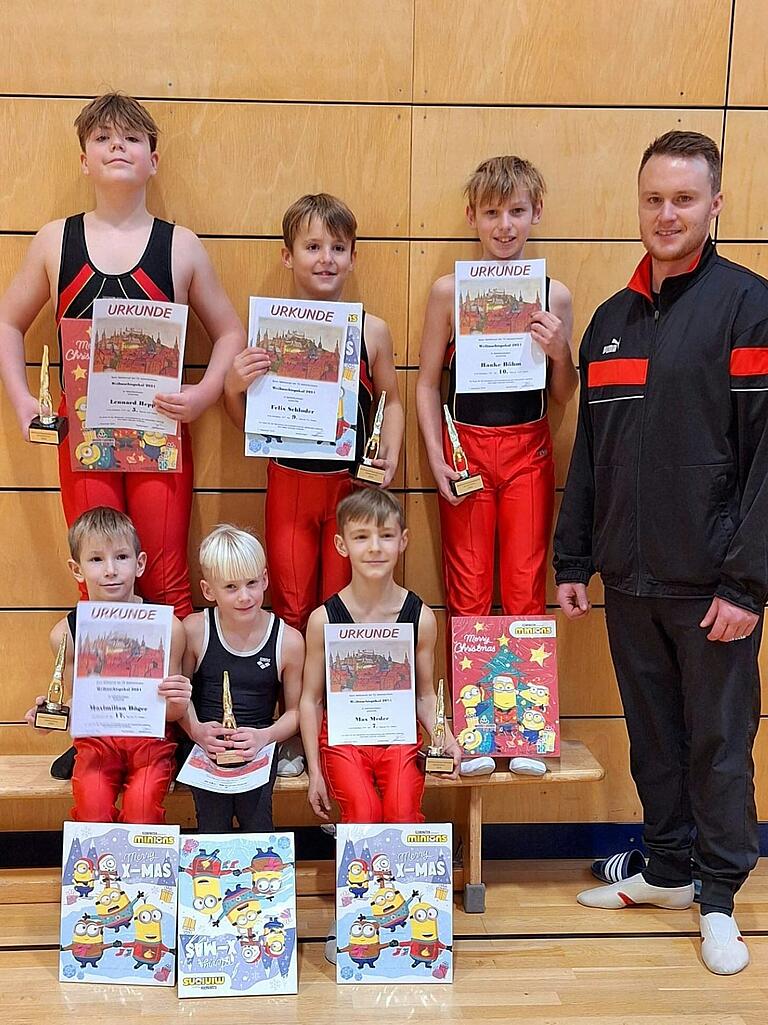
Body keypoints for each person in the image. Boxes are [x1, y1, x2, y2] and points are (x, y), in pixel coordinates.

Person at [554, 130, 768, 976]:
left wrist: (749, 582)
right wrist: (574, 559)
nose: (667, 214)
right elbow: (590, 455)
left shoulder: (750, 307)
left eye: (684, 199)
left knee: (717, 744)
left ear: (716, 205)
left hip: (716, 585)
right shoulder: (609, 322)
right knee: (653, 738)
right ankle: (669, 869)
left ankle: (720, 896)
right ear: (637, 203)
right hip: (630, 581)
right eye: (654, 199)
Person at [0, 92, 245, 619]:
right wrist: (24, 403)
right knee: (98, 574)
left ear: (153, 161)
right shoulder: (53, 241)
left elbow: (229, 332)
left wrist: (202, 395)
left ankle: (174, 703)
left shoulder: (180, 245)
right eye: (103, 139)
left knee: (165, 573)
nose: (117, 147)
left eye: (132, 139)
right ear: (83, 160)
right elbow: (6, 321)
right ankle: (103, 700)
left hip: (159, 432)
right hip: (84, 435)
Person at [223, 193, 404, 633]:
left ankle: (338, 703)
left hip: (352, 485)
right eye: (313, 247)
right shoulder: (264, 330)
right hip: (290, 481)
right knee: (293, 603)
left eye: (338, 248)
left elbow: (392, 401)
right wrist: (233, 385)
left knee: (348, 604)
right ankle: (297, 702)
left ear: (353, 257)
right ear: (288, 256)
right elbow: (242, 418)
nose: (327, 259)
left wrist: (391, 458)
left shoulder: (373, 330)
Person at [416, 155, 577, 622]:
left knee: (525, 587)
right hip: (464, 446)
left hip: (529, 449)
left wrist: (561, 353)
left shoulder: (554, 295)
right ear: (473, 217)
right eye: (491, 213)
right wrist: (435, 455)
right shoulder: (449, 292)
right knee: (468, 589)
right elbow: (428, 384)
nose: (504, 227)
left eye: (516, 212)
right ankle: (471, 699)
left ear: (537, 211)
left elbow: (564, 394)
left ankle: (523, 699)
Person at [300, 487, 462, 825]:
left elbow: (425, 694)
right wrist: (315, 771)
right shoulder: (323, 620)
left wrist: (446, 737)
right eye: (361, 536)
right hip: (343, 739)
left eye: (386, 535)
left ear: (403, 541)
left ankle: (405, 879)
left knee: (403, 813)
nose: (374, 547)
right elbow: (311, 701)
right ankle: (360, 877)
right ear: (341, 545)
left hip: (399, 737)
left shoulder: (421, 617)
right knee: (363, 812)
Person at [25, 507, 190, 823]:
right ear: (77, 569)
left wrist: (179, 701)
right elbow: (79, 707)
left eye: (122, 557)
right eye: (96, 559)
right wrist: (52, 716)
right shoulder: (65, 634)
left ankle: (141, 873)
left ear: (139, 563)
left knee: (142, 810)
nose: (111, 570)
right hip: (96, 745)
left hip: (150, 743)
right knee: (92, 810)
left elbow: (171, 713)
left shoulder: (169, 627)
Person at [179, 524, 304, 831]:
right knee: (212, 823)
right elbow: (177, 700)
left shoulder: (288, 641)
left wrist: (265, 737)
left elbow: (297, 712)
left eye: (251, 583)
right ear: (209, 591)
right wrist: (195, 731)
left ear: (265, 580)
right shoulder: (194, 630)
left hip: (259, 745)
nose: (245, 596)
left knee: (258, 821)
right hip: (204, 746)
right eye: (231, 587)